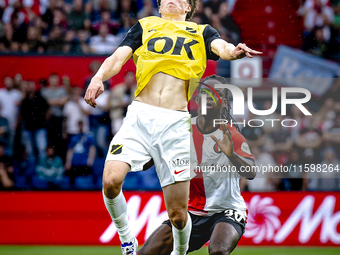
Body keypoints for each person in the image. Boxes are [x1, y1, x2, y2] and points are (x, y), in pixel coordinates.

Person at [84, 1, 261, 254]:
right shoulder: (145, 26)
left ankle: (179, 252)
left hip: (175, 121)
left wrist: (234, 51)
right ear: (158, 6)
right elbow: (118, 57)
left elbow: (221, 47)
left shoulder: (201, 32)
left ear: (188, 7)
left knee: (178, 215)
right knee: (111, 181)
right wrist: (98, 77)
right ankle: (126, 240)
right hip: (140, 115)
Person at [138, 75, 256, 255]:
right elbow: (145, 163)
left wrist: (231, 154)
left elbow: (250, 172)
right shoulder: (181, 129)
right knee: (147, 253)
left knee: (218, 251)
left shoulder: (230, 134)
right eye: (205, 93)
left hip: (227, 210)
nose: (209, 97)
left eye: (216, 94)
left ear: (223, 102)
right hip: (191, 212)